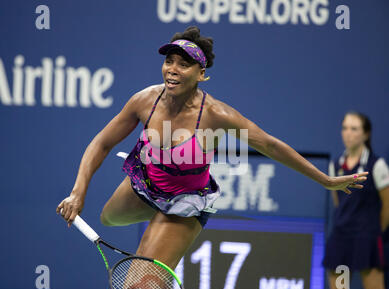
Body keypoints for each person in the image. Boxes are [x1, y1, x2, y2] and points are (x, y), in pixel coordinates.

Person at [56, 26, 368, 274]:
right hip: (146, 181)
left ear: (202, 74)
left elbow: (271, 145)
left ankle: (167, 234)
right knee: (108, 218)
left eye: (184, 64)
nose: (173, 69)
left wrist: (325, 181)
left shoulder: (217, 115)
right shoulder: (144, 100)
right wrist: (78, 191)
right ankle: (158, 222)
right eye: (169, 61)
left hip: (184, 202)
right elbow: (102, 142)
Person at [323, 111, 389, 289]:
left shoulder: (377, 165)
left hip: (366, 241)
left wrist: (375, 232)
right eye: (345, 128)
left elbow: (387, 206)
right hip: (342, 241)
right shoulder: (335, 166)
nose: (348, 133)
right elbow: (339, 202)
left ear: (366, 134)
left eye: (354, 129)